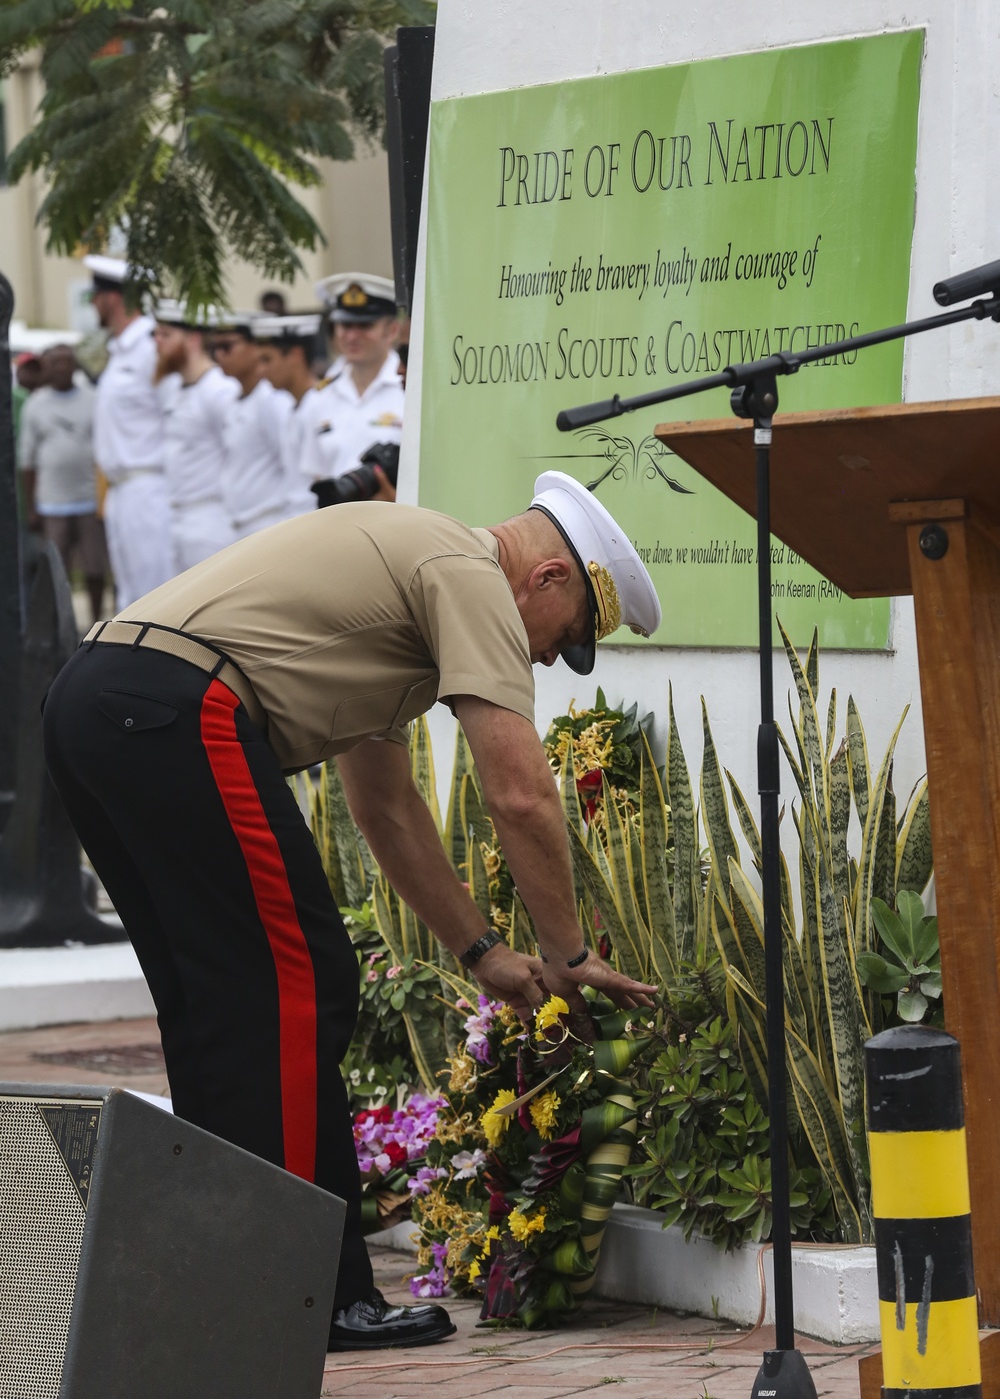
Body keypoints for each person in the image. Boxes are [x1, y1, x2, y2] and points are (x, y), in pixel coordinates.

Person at [41, 471, 660, 1351]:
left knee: (220, 1003)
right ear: (549, 578)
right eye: (570, 639)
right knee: (300, 983)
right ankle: (310, 1296)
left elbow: (388, 808)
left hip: (97, 703)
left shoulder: (413, 582)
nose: (554, 660)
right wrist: (566, 952)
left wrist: (481, 948)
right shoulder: (471, 571)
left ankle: (233, 1276)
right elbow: (521, 796)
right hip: (178, 708)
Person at [83, 254, 173, 609]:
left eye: (96, 295)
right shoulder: (121, 352)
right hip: (121, 492)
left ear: (113, 298)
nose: (92, 303)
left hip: (149, 489)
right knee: (129, 596)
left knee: (155, 596)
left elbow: (174, 417)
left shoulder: (151, 349)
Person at [17, 343, 108, 625]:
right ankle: (62, 626)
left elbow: (106, 449)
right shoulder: (36, 404)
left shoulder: (93, 399)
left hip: (89, 500)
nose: (62, 368)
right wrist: (32, 507)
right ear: (46, 368)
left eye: (68, 362)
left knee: (95, 567)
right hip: (52, 503)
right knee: (58, 570)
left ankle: (97, 622)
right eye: (55, 363)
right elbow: (27, 461)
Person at [298, 274, 404, 503]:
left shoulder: (410, 389)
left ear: (392, 331)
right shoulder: (319, 397)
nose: (352, 336)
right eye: (345, 325)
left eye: (365, 325)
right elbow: (316, 476)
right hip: (335, 527)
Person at [153, 300, 239, 573]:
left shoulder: (219, 390)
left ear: (193, 339)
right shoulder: (174, 389)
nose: (157, 342)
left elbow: (237, 455)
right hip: (178, 517)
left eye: (166, 335)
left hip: (212, 519)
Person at [212, 313, 294, 538]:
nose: (219, 355)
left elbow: (289, 464)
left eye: (227, 346)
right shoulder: (233, 401)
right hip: (240, 524)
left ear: (253, 348)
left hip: (270, 522)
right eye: (215, 347)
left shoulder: (271, 400)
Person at [253, 313, 323, 519]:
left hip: (315, 522)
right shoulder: (294, 407)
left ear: (295, 355)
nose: (261, 370)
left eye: (267, 360)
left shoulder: (320, 407)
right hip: (296, 520)